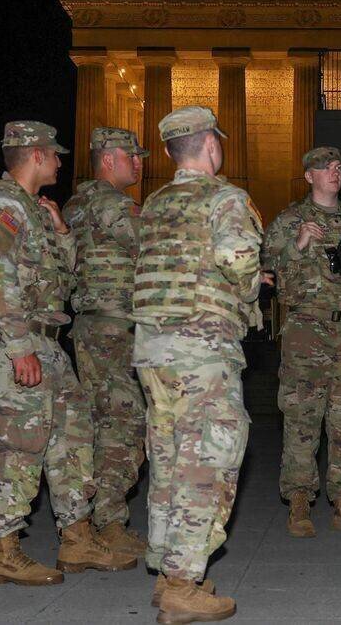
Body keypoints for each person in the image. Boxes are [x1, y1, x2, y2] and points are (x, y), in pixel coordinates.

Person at [0, 121, 135, 587]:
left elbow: (64, 277)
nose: (61, 162)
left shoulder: (34, 210)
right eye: (55, 154)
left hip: (49, 341)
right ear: (35, 154)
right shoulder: (1, 205)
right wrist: (20, 346)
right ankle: (4, 550)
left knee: (72, 438)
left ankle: (77, 538)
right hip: (14, 342)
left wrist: (61, 233)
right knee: (17, 447)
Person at [131, 106, 263, 623]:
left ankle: (168, 574)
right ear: (212, 145)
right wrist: (251, 289)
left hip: (153, 349)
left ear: (167, 151)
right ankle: (186, 583)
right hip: (202, 348)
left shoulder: (155, 203)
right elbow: (237, 260)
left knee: (167, 459)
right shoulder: (225, 197)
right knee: (208, 458)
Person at [261, 146, 341, 538]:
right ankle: (299, 502)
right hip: (306, 329)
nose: (334, 173)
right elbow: (267, 273)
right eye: (325, 168)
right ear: (309, 177)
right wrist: (296, 247)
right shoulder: (289, 220)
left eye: (338, 167)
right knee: (302, 416)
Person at [62, 127, 149, 559]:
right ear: (109, 159)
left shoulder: (74, 204)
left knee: (100, 423)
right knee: (126, 423)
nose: (139, 163)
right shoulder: (113, 204)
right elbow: (151, 248)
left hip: (89, 328)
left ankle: (101, 519)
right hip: (116, 330)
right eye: (133, 156)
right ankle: (108, 521)